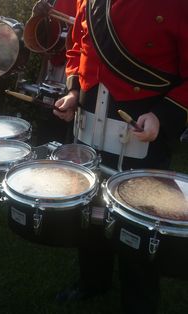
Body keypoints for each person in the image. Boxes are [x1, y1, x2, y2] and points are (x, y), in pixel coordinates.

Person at [53, 1, 188, 313]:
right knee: (89, 211)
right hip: (88, 126)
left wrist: (164, 116)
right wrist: (74, 93)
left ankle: (139, 301)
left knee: (140, 222)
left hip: (142, 132)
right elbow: (79, 47)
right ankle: (92, 281)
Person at [28, 0, 77, 145]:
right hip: (52, 76)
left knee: (70, 144)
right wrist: (36, 15)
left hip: (79, 78)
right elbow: (37, 39)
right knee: (47, 138)